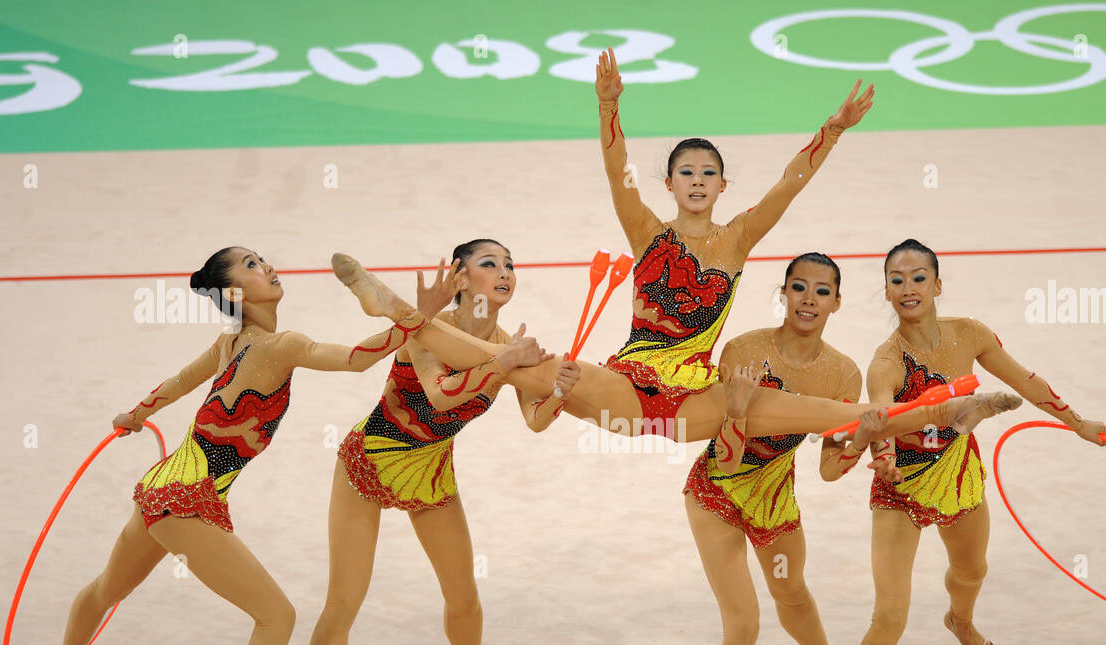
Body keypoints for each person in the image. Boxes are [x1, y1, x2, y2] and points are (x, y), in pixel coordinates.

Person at [328, 56, 1020, 445]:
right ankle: (388, 304)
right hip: (627, 383)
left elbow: (790, 184)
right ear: (670, 183)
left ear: (721, 184)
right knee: (524, 367)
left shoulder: (740, 237)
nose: (695, 181)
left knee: (829, 416)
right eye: (684, 172)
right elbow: (612, 167)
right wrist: (607, 105)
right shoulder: (647, 234)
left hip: (699, 396)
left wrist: (832, 129)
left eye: (707, 173)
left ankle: (953, 409)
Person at [48, 246, 462, 645]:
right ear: (236, 293)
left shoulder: (230, 344)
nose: (267, 265)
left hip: (161, 489)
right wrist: (418, 315)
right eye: (250, 265)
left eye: (262, 258)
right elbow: (359, 359)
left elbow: (178, 382)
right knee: (276, 616)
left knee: (107, 587)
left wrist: (136, 415)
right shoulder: (279, 345)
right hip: (188, 499)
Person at [296, 239, 579, 645]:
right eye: (490, 263)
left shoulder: (507, 342)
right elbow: (442, 395)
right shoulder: (427, 329)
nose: (504, 272)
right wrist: (505, 363)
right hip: (371, 463)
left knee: (464, 594)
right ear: (459, 276)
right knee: (343, 604)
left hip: (430, 471)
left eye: (510, 265)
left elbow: (535, 421)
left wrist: (557, 393)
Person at [841, 239, 1106, 645]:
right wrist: (883, 457)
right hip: (902, 489)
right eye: (896, 279)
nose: (908, 288)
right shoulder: (886, 361)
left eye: (918, 277)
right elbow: (881, 415)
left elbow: (1026, 380)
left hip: (957, 471)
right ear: (887, 291)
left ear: (939, 285)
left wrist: (1077, 422)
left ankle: (960, 622)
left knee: (972, 571)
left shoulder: (972, 335)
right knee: (888, 615)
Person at [685, 253, 891, 645]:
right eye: (798, 287)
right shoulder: (745, 352)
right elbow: (722, 449)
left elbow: (827, 468)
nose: (807, 299)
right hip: (718, 492)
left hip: (774, 493)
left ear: (836, 302)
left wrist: (859, 443)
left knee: (793, 594)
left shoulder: (844, 374)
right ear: (783, 293)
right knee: (744, 623)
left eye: (820, 291)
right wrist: (738, 411)